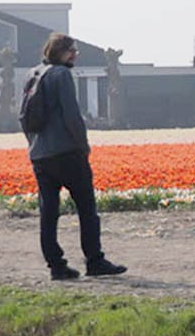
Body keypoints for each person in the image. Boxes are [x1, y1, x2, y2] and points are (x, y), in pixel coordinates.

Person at [24, 32, 125, 281]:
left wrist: (33, 145)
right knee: (86, 208)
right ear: (61, 52)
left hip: (40, 154)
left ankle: (56, 265)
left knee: (48, 212)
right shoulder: (61, 75)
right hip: (66, 152)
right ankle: (95, 260)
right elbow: (72, 116)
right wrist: (83, 146)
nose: (76, 55)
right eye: (73, 51)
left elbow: (24, 116)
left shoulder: (33, 74)